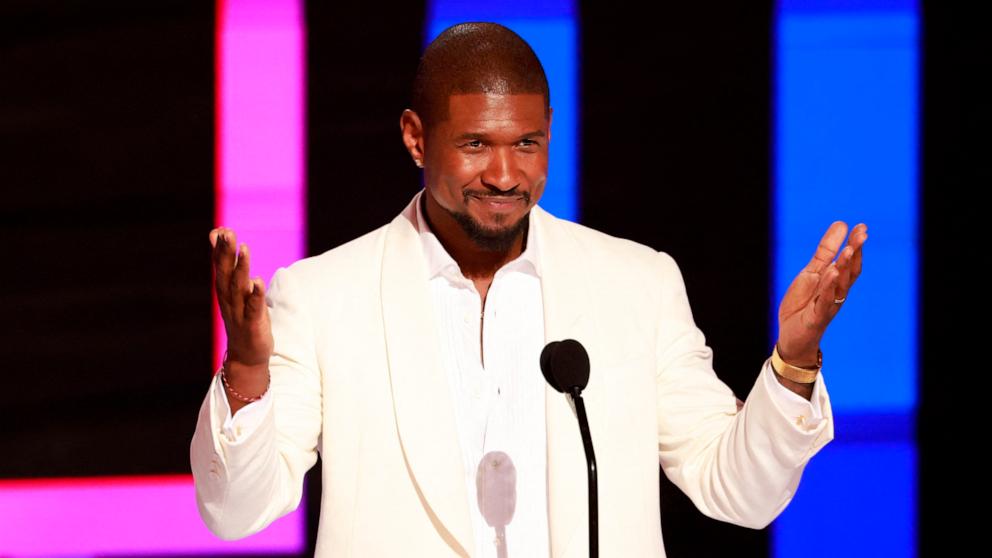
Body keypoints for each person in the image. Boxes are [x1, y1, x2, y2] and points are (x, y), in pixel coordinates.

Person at [190, 22, 867, 557]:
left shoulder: (638, 284)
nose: (507, 174)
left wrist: (794, 364)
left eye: (529, 143)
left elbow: (739, 493)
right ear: (416, 138)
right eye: (477, 144)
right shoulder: (321, 296)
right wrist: (247, 374)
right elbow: (235, 512)